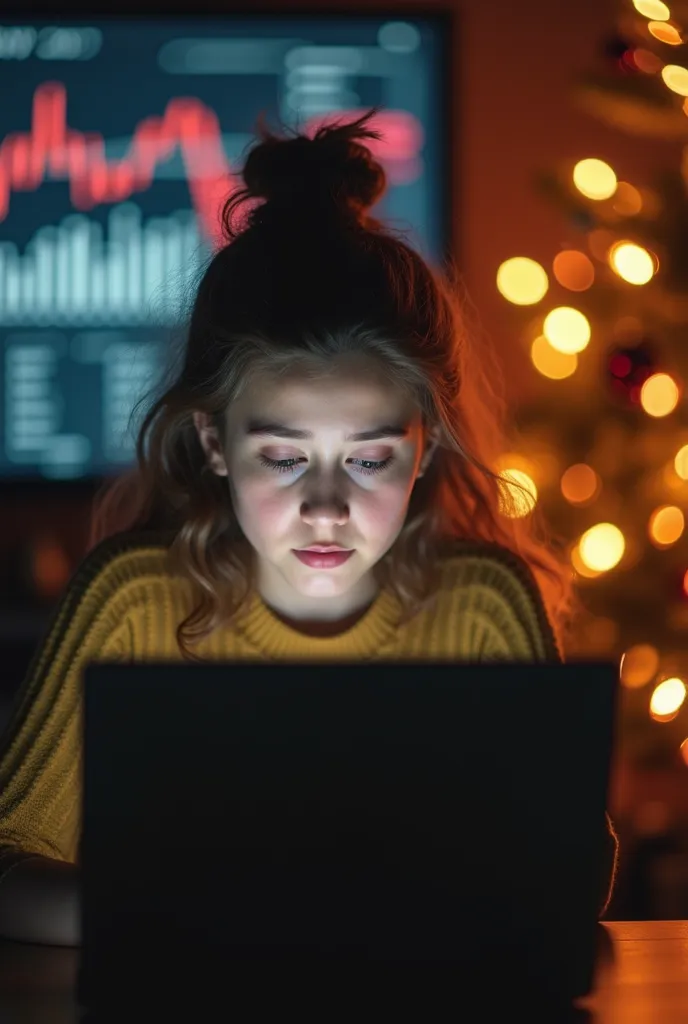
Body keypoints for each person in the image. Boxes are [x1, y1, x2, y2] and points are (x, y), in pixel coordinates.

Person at [0, 112, 618, 946]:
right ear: (216, 443)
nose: (325, 508)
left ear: (424, 446)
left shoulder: (478, 605)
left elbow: (567, 874)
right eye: (285, 458)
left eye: (367, 461)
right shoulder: (131, 600)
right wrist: (194, 922)